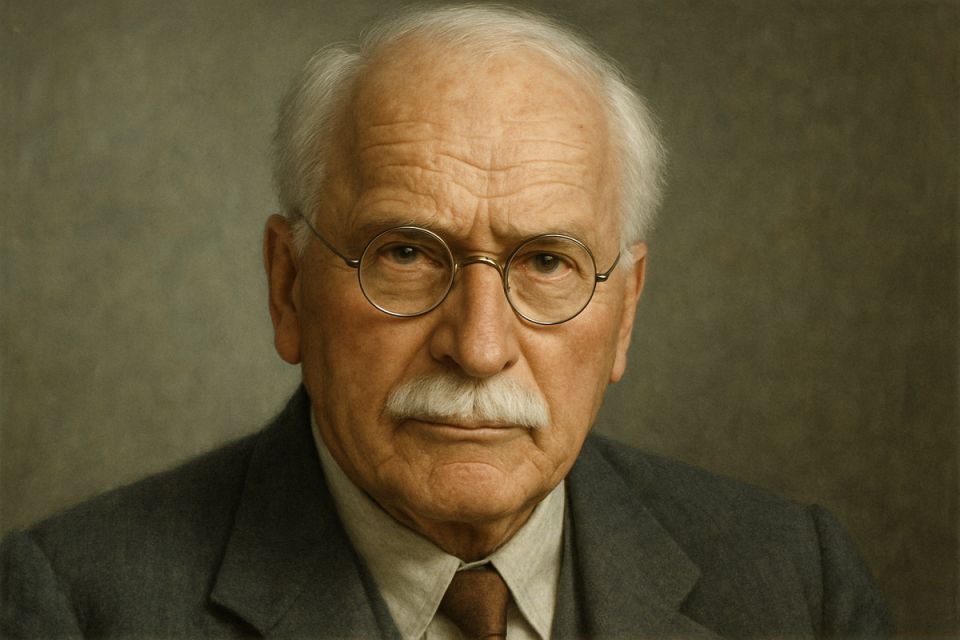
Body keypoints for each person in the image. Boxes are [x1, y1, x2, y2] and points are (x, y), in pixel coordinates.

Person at [1, 5, 890, 638]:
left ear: (624, 313)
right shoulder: (75, 607)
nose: (478, 347)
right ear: (288, 287)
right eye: (405, 253)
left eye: (547, 263)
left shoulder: (796, 587)